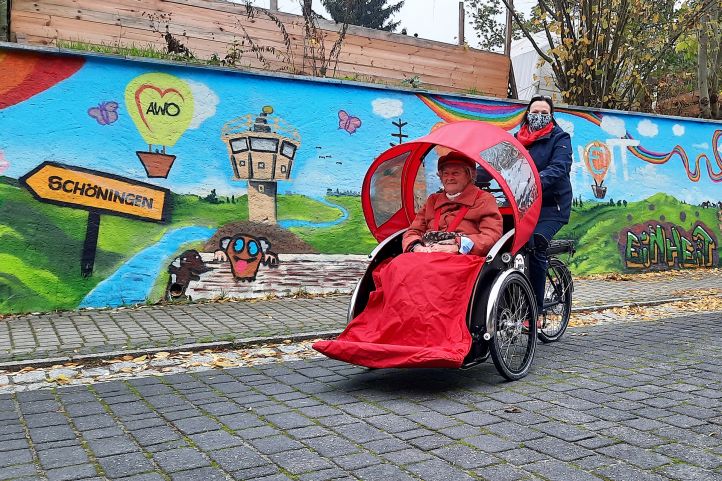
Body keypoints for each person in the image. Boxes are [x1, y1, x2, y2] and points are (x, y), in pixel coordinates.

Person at [515, 95, 573, 323]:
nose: (537, 116)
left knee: (536, 244)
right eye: (534, 112)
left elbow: (559, 168)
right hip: (525, 205)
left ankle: (536, 311)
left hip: (552, 206)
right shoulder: (516, 140)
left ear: (551, 116)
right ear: (527, 114)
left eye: (543, 113)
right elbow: (500, 163)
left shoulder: (560, 138)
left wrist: (532, 181)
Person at [402, 151, 503, 257]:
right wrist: (417, 247)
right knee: (397, 266)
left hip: (462, 257)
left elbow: (491, 236)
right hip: (425, 255)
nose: (449, 178)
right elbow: (413, 231)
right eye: (445, 173)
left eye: (455, 173)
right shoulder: (432, 200)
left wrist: (457, 246)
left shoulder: (484, 199)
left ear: (469, 176)